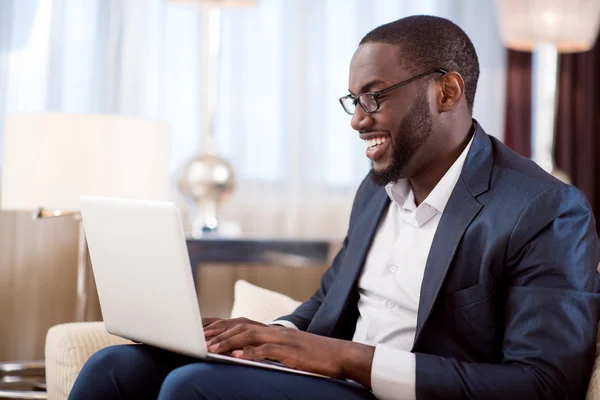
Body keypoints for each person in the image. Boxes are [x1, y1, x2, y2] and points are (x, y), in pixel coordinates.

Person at [69, 15, 600, 400]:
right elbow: (327, 306)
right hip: (339, 381)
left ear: (447, 91)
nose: (357, 120)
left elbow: (544, 384)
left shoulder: (546, 210)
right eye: (353, 100)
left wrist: (347, 358)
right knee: (115, 368)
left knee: (193, 389)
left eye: (375, 96)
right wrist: (255, 336)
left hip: (397, 394)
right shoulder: (376, 191)